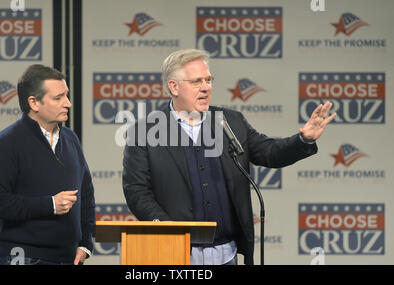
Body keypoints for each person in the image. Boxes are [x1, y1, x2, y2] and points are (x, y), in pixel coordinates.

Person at [122, 49, 336, 265]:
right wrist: (170, 231)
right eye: (196, 81)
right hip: (174, 255)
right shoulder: (145, 132)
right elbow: (137, 191)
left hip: (227, 255)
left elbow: (270, 153)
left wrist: (303, 140)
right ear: (174, 87)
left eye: (208, 80)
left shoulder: (230, 122)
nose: (206, 87)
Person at [0, 64, 95, 265]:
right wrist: (49, 204)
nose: (68, 103)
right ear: (34, 102)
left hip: (68, 258)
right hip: (23, 257)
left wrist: (85, 243)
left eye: (66, 96)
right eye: (58, 98)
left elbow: (85, 194)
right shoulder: (6, 143)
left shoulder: (71, 139)